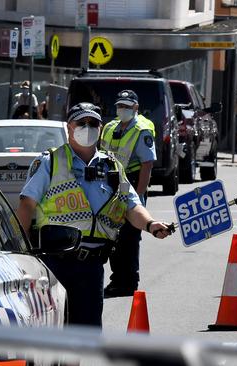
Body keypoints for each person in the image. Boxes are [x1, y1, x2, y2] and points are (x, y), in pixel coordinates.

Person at [16, 102, 171, 327]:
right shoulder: (50, 162)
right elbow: (26, 205)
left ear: (100, 129)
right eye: (81, 123)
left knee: (85, 339)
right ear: (69, 127)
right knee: (51, 337)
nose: (87, 128)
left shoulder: (112, 167)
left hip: (91, 267)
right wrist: (22, 252)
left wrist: (150, 224)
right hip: (53, 264)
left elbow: (131, 206)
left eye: (93, 124)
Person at [99, 89, 157, 298]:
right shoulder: (110, 127)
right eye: (119, 106)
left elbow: (147, 165)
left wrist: (139, 197)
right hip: (110, 186)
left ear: (135, 108)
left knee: (129, 237)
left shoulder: (141, 130)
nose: (122, 109)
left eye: (126, 106)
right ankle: (118, 280)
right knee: (113, 235)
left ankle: (128, 281)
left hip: (131, 184)